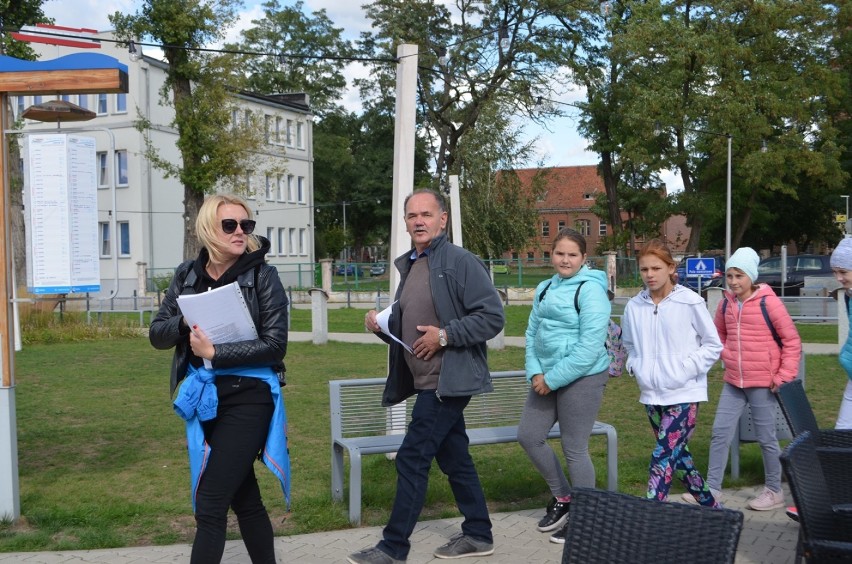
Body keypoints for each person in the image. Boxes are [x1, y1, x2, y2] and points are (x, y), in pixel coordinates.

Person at [348, 189, 505, 564]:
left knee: (412, 457)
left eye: (426, 214)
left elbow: (492, 317)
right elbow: (415, 323)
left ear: (443, 219)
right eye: (412, 216)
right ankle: (479, 534)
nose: (418, 221)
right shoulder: (413, 263)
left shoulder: (459, 261)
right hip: (426, 379)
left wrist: (445, 336)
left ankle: (392, 548)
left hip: (446, 380)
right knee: (455, 459)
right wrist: (383, 324)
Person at [150, 194, 289, 564]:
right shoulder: (186, 275)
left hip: (250, 396)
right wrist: (185, 320)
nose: (241, 232)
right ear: (210, 230)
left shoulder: (262, 274)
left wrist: (216, 353)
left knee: (210, 503)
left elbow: (276, 345)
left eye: (247, 225)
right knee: (245, 498)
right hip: (207, 397)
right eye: (230, 225)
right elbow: (157, 334)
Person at [682, 247, 800, 511]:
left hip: (763, 383)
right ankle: (711, 490)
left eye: (739, 275)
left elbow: (792, 341)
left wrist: (783, 376)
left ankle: (774, 490)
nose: (733, 281)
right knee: (719, 433)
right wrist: (726, 355)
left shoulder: (769, 303)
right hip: (733, 381)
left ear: (751, 276)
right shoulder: (725, 303)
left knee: (766, 437)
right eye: (730, 275)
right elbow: (716, 337)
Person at [517, 228, 611, 545]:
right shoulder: (544, 288)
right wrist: (534, 372)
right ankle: (564, 498)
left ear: (584, 258)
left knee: (574, 449)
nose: (565, 259)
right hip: (544, 377)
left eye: (572, 254)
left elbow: (589, 348)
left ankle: (586, 519)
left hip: (582, 377)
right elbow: (531, 335)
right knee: (529, 436)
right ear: (552, 254)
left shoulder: (591, 291)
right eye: (560, 253)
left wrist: (552, 379)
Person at [621, 239, 723, 507]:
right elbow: (629, 344)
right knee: (681, 462)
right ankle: (715, 512)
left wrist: (684, 370)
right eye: (644, 270)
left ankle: (651, 520)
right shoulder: (634, 306)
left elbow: (713, 345)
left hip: (684, 394)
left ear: (670, 267)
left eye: (656, 268)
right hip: (651, 396)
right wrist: (636, 366)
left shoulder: (689, 302)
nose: (650, 275)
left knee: (662, 459)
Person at [831, 237, 852, 430]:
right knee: (843, 434)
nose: (838, 278)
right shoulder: (850, 295)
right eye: (835, 272)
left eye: (843, 272)